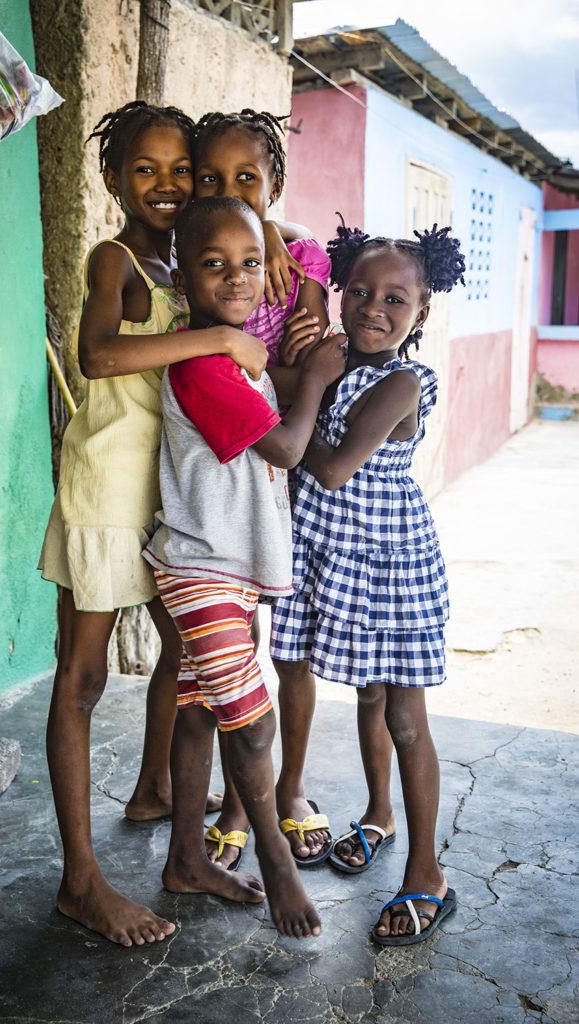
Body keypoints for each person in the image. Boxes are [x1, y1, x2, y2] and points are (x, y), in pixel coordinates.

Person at [37, 100, 268, 947]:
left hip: (166, 500)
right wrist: (210, 339)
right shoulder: (117, 259)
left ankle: (165, 816)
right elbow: (98, 355)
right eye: (146, 169)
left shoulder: (184, 269)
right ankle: (81, 882)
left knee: (186, 660)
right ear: (111, 178)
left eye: (183, 171)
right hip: (104, 494)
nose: (167, 185)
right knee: (84, 679)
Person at [143, 196, 346, 937]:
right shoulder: (201, 363)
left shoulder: (227, 350)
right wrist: (319, 374)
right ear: (183, 277)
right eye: (213, 263)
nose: (236, 277)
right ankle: (277, 862)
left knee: (201, 711)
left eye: (250, 263)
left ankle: (186, 861)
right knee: (252, 727)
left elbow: (302, 239)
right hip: (202, 567)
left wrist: (285, 248)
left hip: (226, 565)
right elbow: (287, 450)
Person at [270, 219, 466, 945]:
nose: (373, 309)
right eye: (358, 290)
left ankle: (426, 873)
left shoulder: (402, 380)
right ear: (337, 291)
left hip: (386, 564)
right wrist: (310, 376)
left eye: (395, 299)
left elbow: (326, 466)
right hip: (327, 555)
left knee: (404, 717)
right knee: (368, 693)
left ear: (420, 313)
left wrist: (308, 386)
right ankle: (379, 815)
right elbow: (284, 238)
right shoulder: (327, 358)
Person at [192, 108, 335, 869]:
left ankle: (289, 790)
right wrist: (277, 374)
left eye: (247, 177)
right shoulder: (198, 258)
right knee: (233, 655)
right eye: (210, 178)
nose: (229, 190)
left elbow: (314, 360)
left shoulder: (299, 255)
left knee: (293, 646)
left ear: (274, 181)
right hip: (220, 474)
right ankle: (243, 808)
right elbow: (283, 372)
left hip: (287, 474)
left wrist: (278, 375)